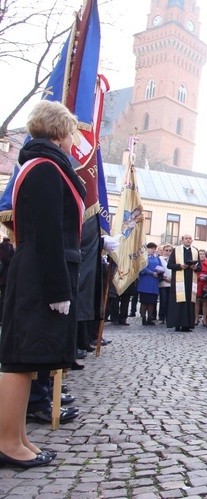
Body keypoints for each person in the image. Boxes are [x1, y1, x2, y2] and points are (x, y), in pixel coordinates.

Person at [0, 100, 87, 467]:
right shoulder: (47, 169)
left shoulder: (43, 166)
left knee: (28, 358)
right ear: (59, 132)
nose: (73, 140)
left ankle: (17, 437)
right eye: (71, 132)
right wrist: (57, 290)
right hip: (41, 274)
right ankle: (7, 442)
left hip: (38, 269)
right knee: (21, 359)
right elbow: (50, 233)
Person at [167, 234, 201, 331]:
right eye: (186, 238)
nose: (188, 240)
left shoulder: (195, 251)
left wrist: (195, 267)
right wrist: (179, 266)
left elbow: (200, 267)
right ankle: (177, 324)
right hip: (179, 281)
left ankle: (187, 325)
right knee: (179, 302)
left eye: (190, 239)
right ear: (182, 240)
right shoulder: (176, 250)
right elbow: (170, 265)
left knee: (189, 302)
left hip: (190, 281)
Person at [137, 242, 161, 326]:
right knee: (144, 301)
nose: (153, 250)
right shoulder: (143, 257)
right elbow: (142, 267)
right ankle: (143, 318)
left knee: (152, 301)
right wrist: (151, 273)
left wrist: (160, 271)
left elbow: (160, 266)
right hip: (145, 281)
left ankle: (150, 318)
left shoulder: (157, 258)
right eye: (151, 248)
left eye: (154, 249)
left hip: (154, 282)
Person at [194, 248, 207, 326]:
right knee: (197, 302)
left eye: (203, 254)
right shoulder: (195, 264)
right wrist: (199, 278)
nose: (202, 256)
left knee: (205, 302)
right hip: (197, 284)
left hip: (206, 284)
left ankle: (205, 319)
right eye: (200, 254)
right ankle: (196, 318)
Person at [0, 236, 15, 325]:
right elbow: (4, 258)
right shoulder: (6, 246)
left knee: (5, 297)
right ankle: (2, 317)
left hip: (5, 278)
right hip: (5, 278)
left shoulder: (6, 246)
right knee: (4, 298)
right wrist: (14, 260)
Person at [157, 245, 173, 324]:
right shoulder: (160, 259)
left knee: (170, 301)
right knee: (163, 300)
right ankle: (161, 317)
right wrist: (164, 278)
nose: (168, 252)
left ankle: (169, 317)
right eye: (166, 250)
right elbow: (158, 269)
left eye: (170, 250)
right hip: (163, 283)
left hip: (171, 283)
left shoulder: (174, 260)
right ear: (163, 251)